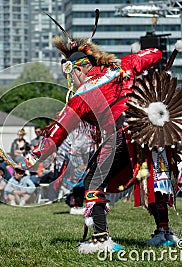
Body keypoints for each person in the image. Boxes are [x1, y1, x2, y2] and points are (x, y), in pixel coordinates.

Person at [14, 11, 162, 253]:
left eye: (70, 74)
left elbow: (56, 133)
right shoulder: (122, 66)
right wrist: (149, 54)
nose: (71, 79)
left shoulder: (82, 95)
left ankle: (101, 239)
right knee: (153, 179)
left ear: (77, 69)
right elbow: (153, 54)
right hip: (146, 132)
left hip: (119, 134)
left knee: (94, 180)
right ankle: (164, 232)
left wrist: (30, 160)